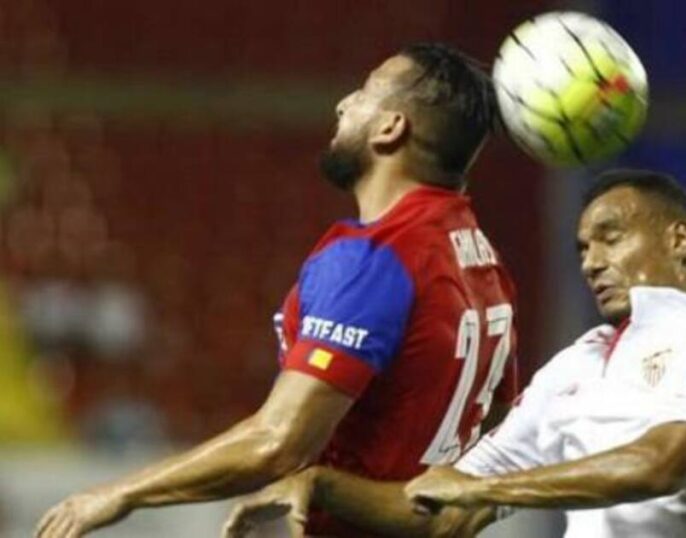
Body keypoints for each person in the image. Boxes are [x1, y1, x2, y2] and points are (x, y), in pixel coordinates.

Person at [35, 43, 519, 538]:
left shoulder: (376, 258)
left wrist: (120, 492)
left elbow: (279, 440)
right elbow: (500, 426)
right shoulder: (483, 264)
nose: (344, 104)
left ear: (390, 127)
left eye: (364, 92)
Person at [224, 169, 686, 538]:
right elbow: (445, 508)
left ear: (680, 238)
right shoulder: (575, 367)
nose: (591, 261)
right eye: (582, 248)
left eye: (612, 236)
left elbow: (657, 464)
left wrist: (482, 489)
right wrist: (326, 486)